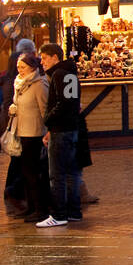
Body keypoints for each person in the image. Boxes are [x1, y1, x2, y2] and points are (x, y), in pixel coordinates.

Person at [37, 43, 82, 227]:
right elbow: (73, 102)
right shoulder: (70, 72)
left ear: (55, 57)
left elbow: (63, 103)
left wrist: (48, 118)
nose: (42, 62)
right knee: (71, 173)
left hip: (61, 130)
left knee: (57, 174)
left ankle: (58, 214)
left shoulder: (58, 74)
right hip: (71, 129)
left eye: (45, 58)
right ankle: (73, 211)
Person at [10, 52, 52, 223]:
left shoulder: (39, 84)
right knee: (25, 172)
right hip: (21, 131)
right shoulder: (19, 84)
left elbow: (45, 109)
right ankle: (31, 206)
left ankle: (40, 208)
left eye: (23, 67)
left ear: (33, 68)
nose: (20, 70)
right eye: (18, 67)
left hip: (34, 134)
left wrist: (48, 130)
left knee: (34, 172)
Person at [0, 38, 37, 211]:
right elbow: (12, 105)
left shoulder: (11, 79)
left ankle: (14, 195)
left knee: (18, 161)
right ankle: (13, 195)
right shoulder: (16, 82)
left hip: (16, 124)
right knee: (21, 162)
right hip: (18, 126)